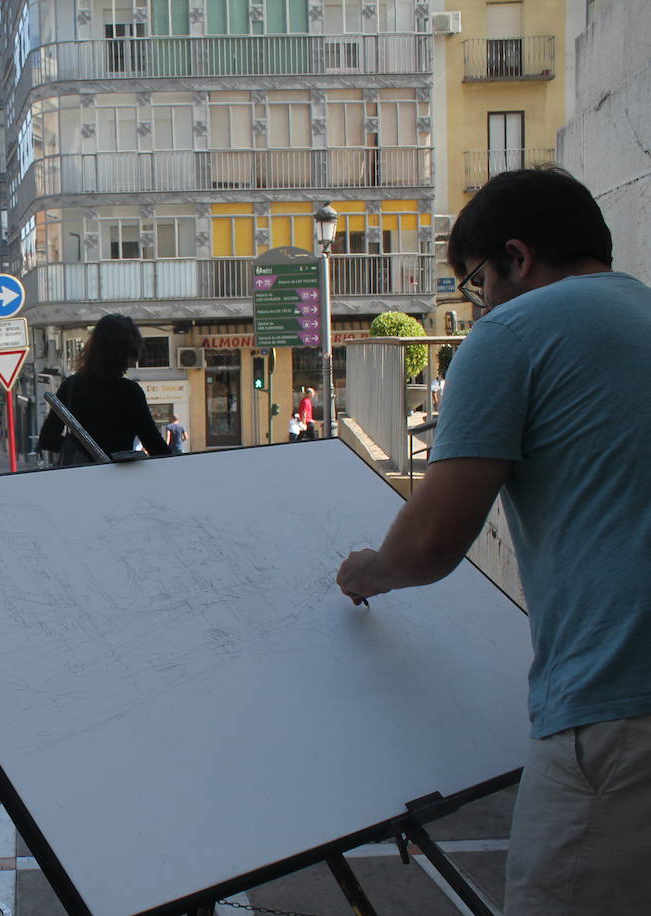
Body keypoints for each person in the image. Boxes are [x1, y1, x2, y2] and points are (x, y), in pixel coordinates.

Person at [335, 167, 651, 916]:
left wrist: (368, 573)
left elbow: (435, 537)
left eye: (475, 284)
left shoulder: (513, 333)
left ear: (517, 257)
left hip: (615, 710)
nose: (476, 306)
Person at [37, 315, 172, 465]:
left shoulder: (71, 386)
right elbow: (155, 447)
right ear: (128, 352)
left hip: (82, 479)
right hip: (119, 479)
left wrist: (78, 450)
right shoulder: (130, 392)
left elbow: (47, 439)